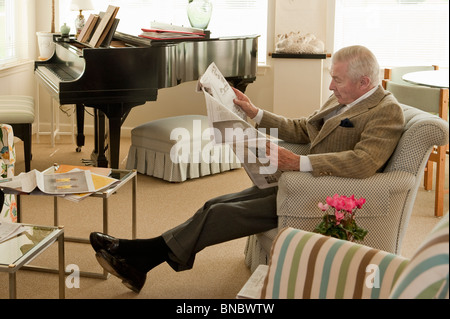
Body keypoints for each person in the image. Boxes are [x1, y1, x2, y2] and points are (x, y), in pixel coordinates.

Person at [89, 45, 405, 293]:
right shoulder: (341, 100)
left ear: (364, 82)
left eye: (337, 79)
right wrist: (254, 113)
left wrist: (298, 162)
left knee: (220, 215)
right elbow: (304, 129)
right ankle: (140, 259)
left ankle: (138, 256)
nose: (331, 85)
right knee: (213, 204)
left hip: (319, 194)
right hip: (297, 182)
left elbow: (364, 162)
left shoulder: (386, 112)